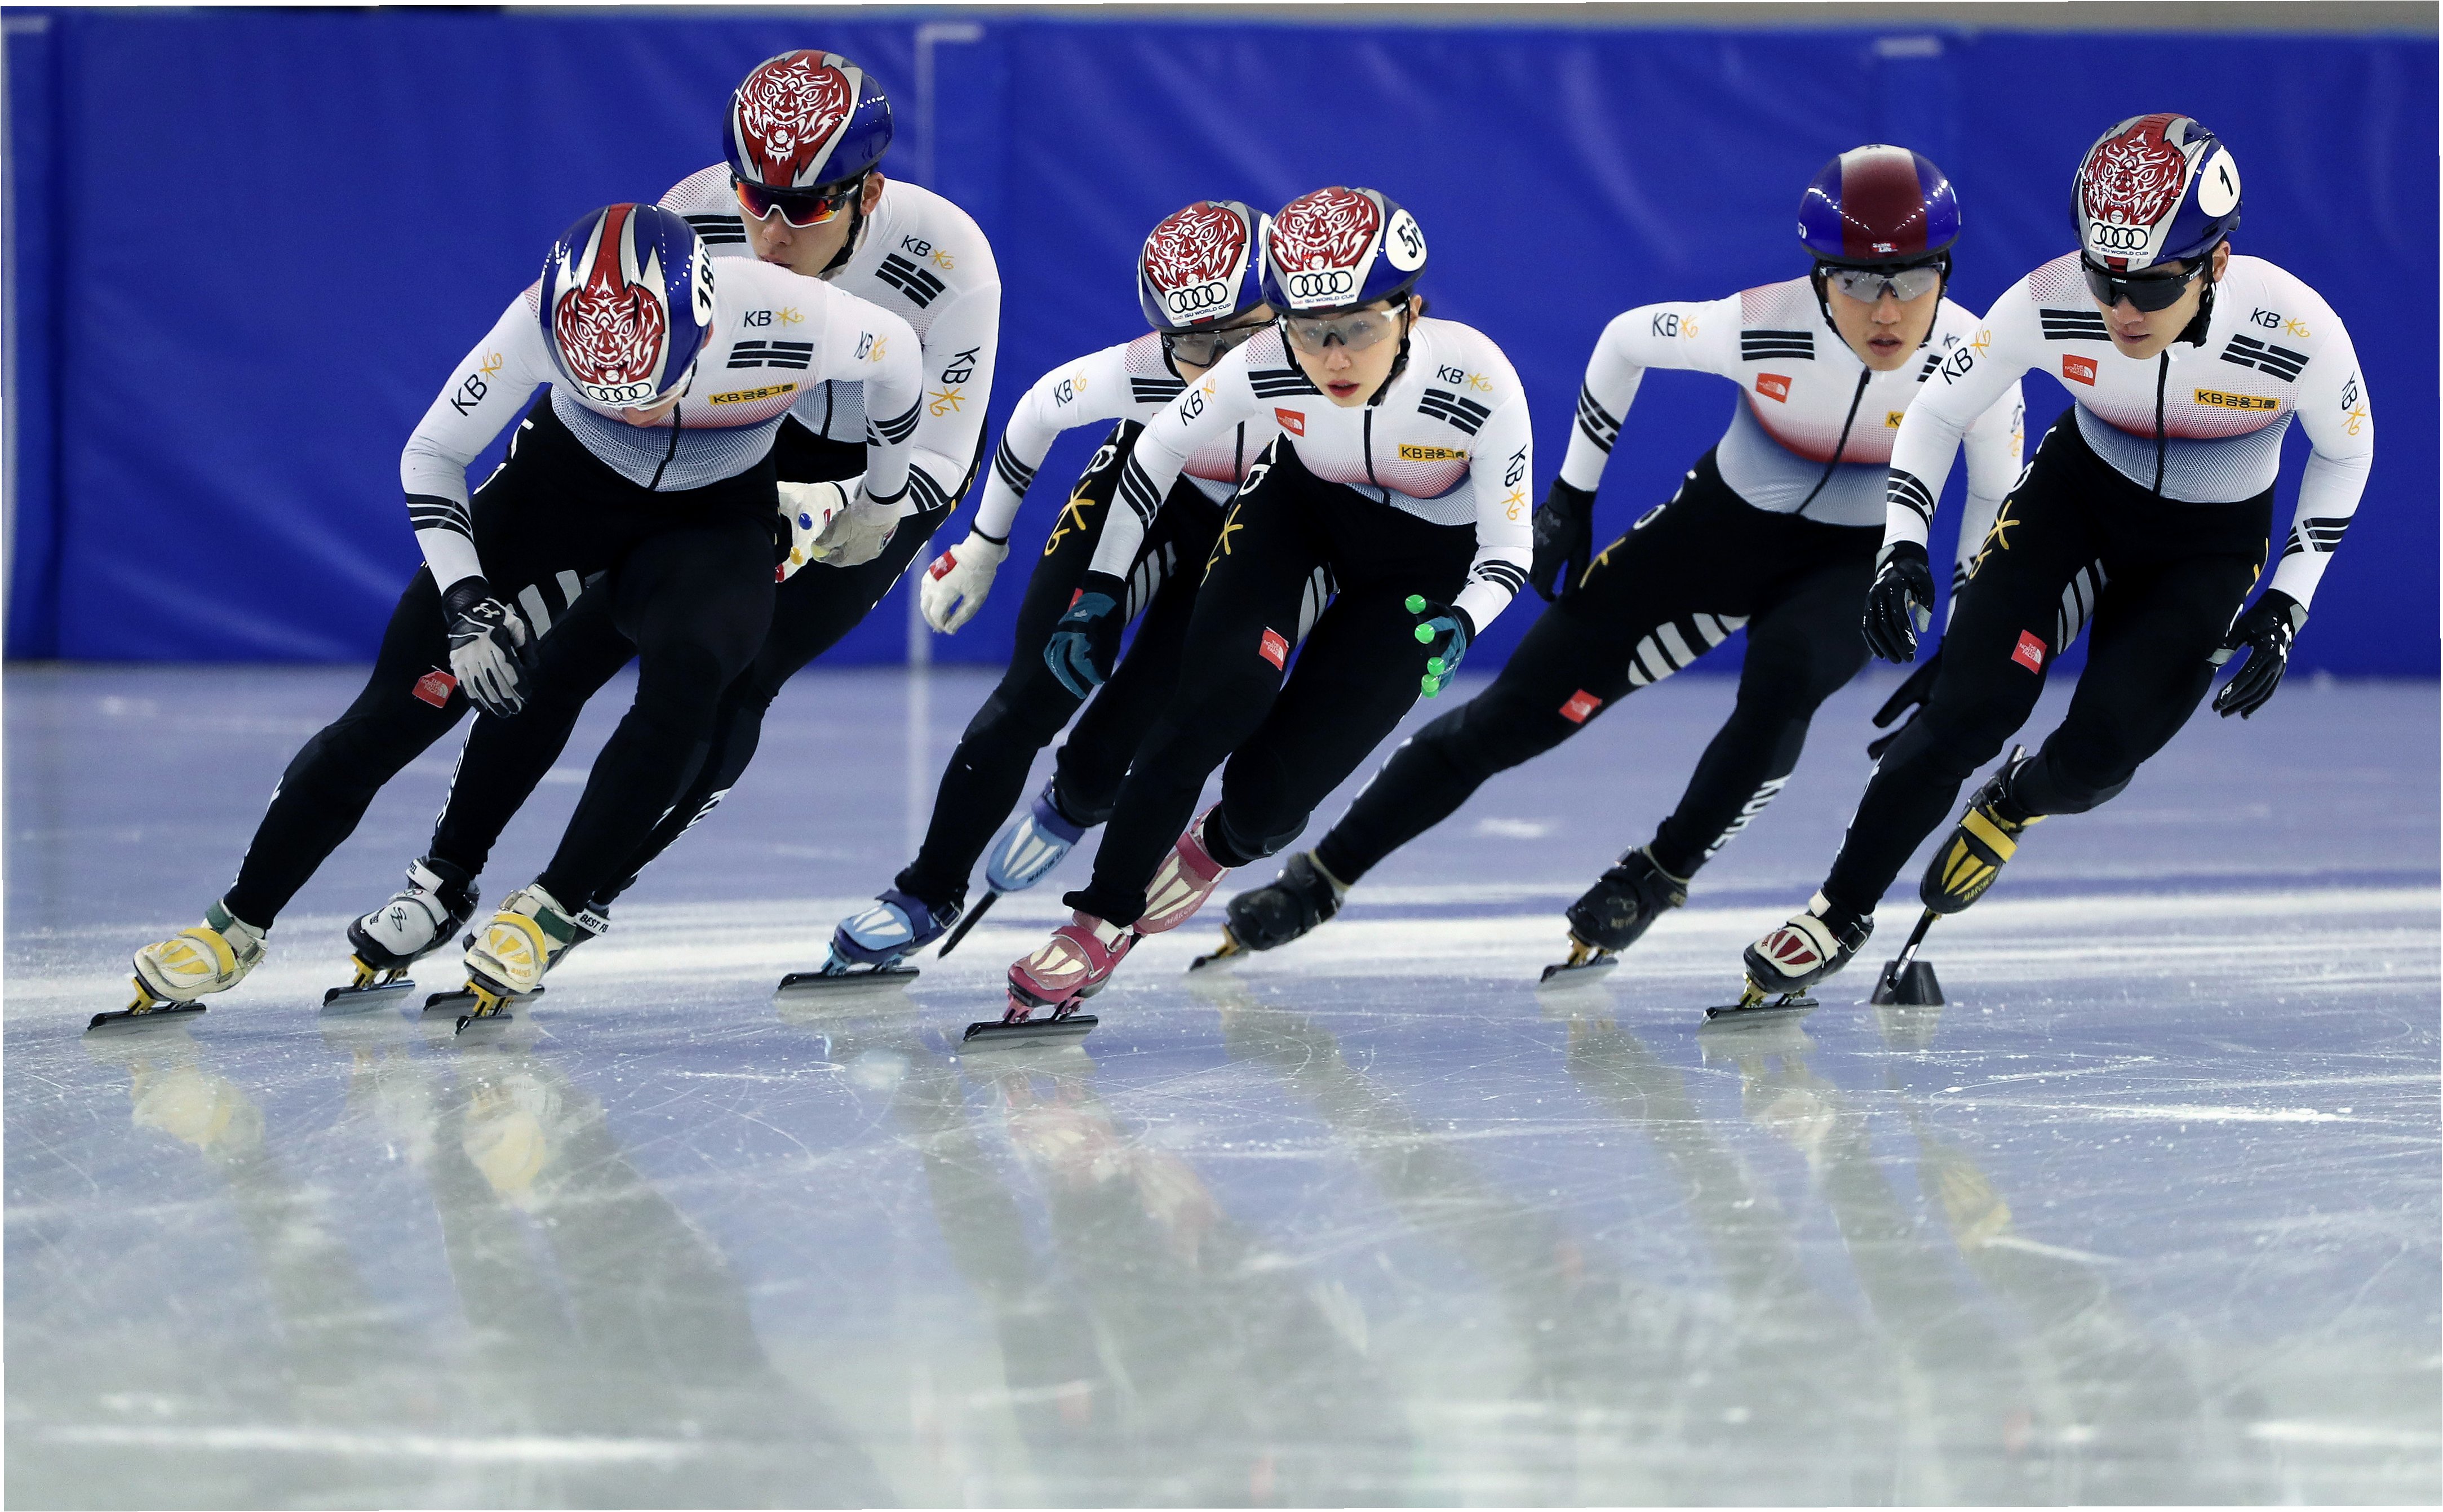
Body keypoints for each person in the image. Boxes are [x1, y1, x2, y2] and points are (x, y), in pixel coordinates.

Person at [1205, 147, 2026, 974]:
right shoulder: (1757, 325)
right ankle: (1323, 875)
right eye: (1855, 280)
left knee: (1786, 681)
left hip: (1851, 564)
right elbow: (1626, 342)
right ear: (1819, 277)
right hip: (1715, 530)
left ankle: (1659, 873)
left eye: (1911, 279)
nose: (1885, 310)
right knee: (1514, 714)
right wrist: (1573, 495)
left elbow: (1995, 494)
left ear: (1946, 272)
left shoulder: (1976, 358)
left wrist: (1965, 633)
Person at [118, 203, 923, 1023]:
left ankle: (554, 908)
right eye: (609, 394)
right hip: (559, 494)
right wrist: (466, 603)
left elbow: (900, 357)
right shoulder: (537, 320)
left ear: (706, 323)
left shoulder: (795, 314)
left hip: (710, 520)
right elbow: (432, 453)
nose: (636, 410)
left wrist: (883, 499)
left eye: (656, 387)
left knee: (694, 677)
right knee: (397, 712)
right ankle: (236, 922)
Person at [332, 49, 1002, 994]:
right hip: (735, 447)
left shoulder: (952, 262)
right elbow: (622, 380)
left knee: (733, 679)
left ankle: (573, 896)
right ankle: (445, 878)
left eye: (806, 207)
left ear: (870, 191)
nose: (773, 231)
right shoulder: (691, 214)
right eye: (756, 197)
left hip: (878, 477)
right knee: (567, 648)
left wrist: (849, 509)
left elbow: (941, 453)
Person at [1736, 113, 2374, 1006]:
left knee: (2101, 757)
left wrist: (2288, 599)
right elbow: (1936, 413)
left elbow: (2347, 451)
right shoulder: (2048, 299)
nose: (2122, 310)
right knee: (1968, 711)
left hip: (2207, 546)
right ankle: (1836, 912)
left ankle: (2016, 802)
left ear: (2216, 264)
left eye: (2152, 284)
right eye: (2105, 278)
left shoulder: (2298, 328)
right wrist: (1904, 546)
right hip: (2076, 505)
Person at [997, 186, 1535, 1021]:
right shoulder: (1266, 359)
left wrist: (1465, 618)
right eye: (1309, 330)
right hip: (1299, 516)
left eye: (1359, 328)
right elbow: (1158, 448)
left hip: (1423, 566)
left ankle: (1219, 845)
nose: (1333, 358)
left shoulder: (1478, 380)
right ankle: (1100, 918)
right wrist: (1102, 587)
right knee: (1210, 704)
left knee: (1268, 805)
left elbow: (1508, 552)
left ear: (1411, 310)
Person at [811, 200, 1291, 977]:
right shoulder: (1141, 373)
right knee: (1036, 689)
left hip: (1261, 526)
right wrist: (982, 548)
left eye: (1245, 338)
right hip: (1147, 496)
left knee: (1146, 711)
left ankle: (1078, 798)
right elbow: (1034, 416)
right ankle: (928, 888)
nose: (1223, 367)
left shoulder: (1330, 370)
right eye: (1197, 345)